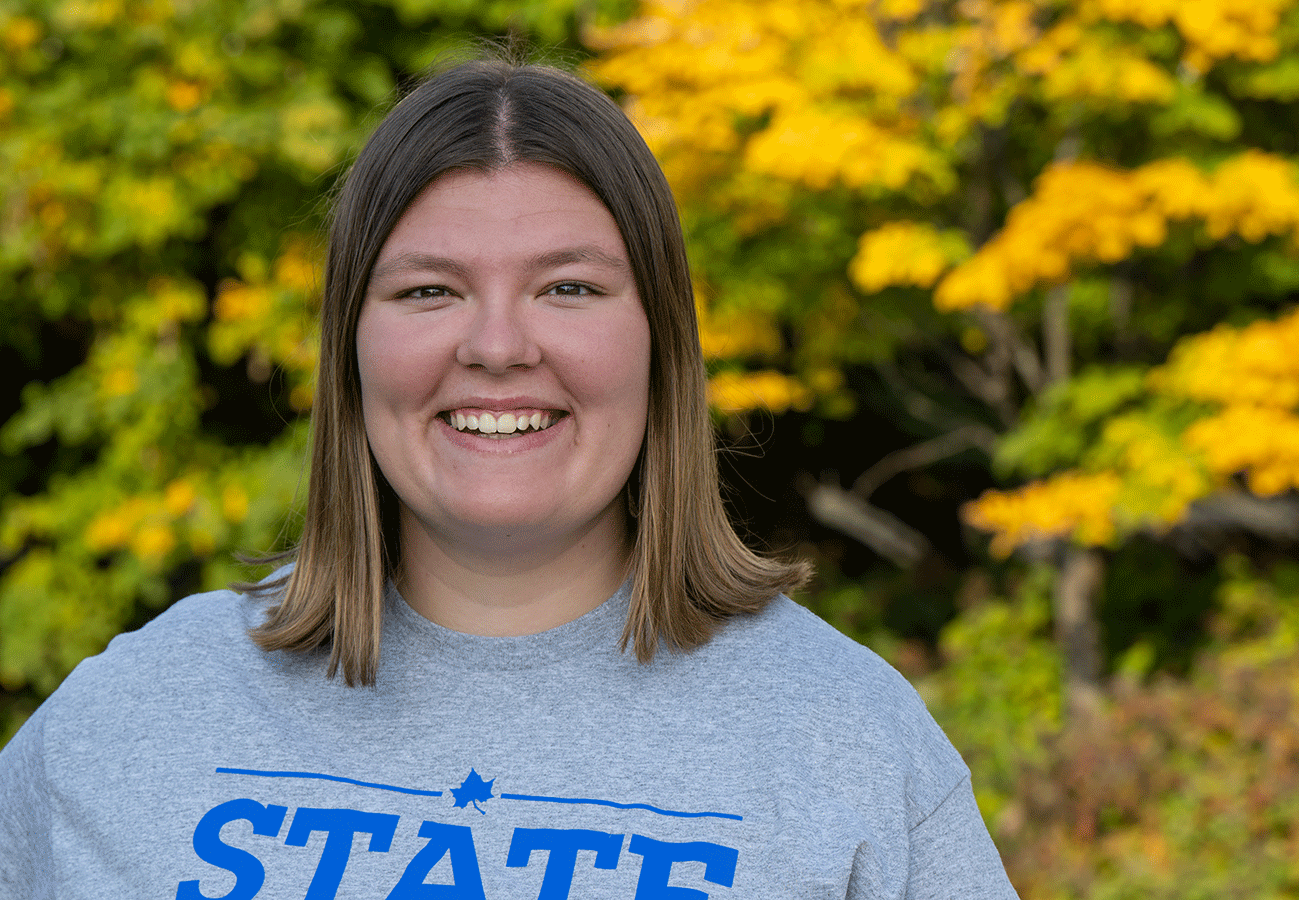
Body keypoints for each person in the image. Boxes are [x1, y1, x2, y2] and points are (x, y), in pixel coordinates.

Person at [0, 59, 1019, 899]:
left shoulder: (847, 741)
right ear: (350, 348)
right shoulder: (129, 719)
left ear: (662, 344)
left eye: (568, 288)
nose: (496, 345)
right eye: (430, 290)